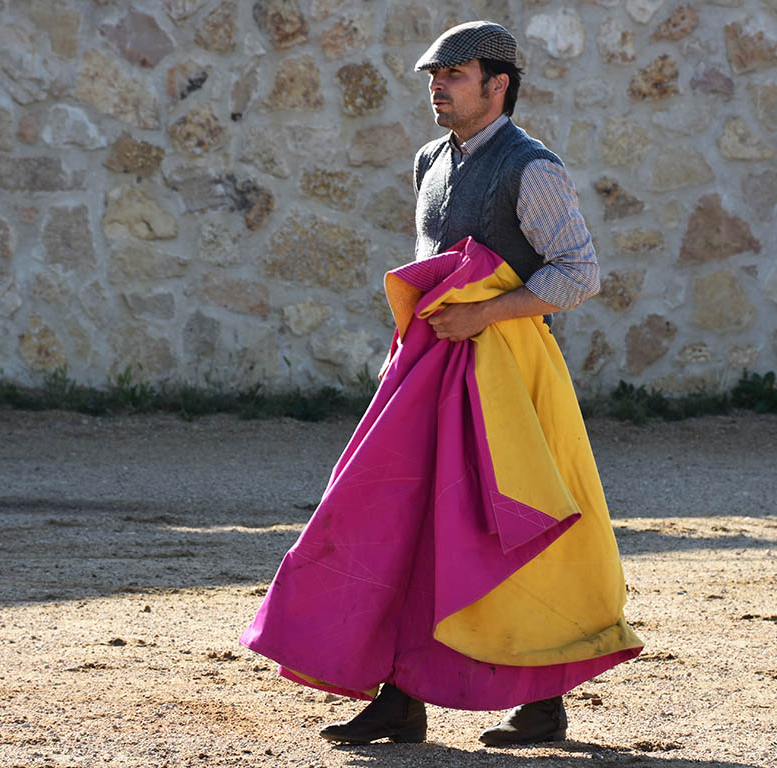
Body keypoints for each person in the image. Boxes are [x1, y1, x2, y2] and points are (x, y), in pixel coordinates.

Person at [241, 20, 641, 749]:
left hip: (508, 374)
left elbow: (578, 274)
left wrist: (486, 311)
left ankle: (544, 702)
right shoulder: (429, 159)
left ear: (499, 86)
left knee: (509, 525)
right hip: (430, 368)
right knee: (401, 519)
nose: (438, 87)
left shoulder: (533, 167)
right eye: (434, 76)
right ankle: (400, 696)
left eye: (454, 76)